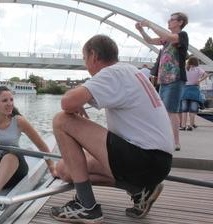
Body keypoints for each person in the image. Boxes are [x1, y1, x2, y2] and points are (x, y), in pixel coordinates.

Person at [50, 35, 174, 223]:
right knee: (64, 171)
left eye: (84, 59)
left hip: (144, 159)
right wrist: (78, 99)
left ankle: (86, 206)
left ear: (93, 55)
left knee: (61, 120)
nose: (86, 65)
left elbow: (66, 103)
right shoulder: (130, 71)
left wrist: (75, 100)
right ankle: (140, 191)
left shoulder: (112, 73)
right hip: (157, 163)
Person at [135, 12, 189, 151]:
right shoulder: (165, 40)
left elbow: (168, 36)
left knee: (172, 111)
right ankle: (167, 139)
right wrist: (141, 30)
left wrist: (150, 24)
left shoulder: (182, 36)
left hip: (175, 78)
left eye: (172, 20)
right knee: (165, 111)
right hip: (164, 79)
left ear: (180, 22)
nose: (169, 22)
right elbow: (149, 41)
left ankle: (176, 142)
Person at [180, 56, 209, 131]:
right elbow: (206, 75)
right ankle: (191, 126)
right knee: (192, 110)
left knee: (184, 110)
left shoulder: (185, 68)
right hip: (194, 90)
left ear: (189, 61)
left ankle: (183, 126)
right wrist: (199, 80)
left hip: (185, 90)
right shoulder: (198, 69)